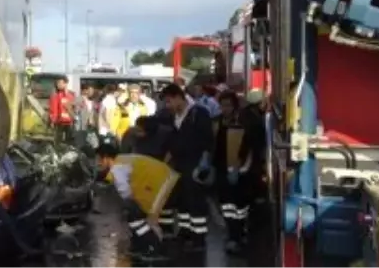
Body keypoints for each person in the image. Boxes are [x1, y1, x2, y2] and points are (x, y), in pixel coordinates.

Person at [95, 142, 179, 260]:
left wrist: (129, 208)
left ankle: (156, 248)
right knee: (136, 216)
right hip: (163, 178)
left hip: (162, 183)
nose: (98, 163)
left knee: (138, 218)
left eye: (99, 159)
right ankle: (141, 246)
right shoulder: (122, 160)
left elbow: (125, 192)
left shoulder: (117, 168)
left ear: (107, 158)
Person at [159, 82, 214, 250]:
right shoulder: (173, 117)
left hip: (194, 163)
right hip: (178, 164)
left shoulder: (199, 113)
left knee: (195, 201)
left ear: (178, 98)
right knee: (182, 200)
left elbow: (208, 140)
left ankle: (199, 238)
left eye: (169, 101)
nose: (167, 106)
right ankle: (185, 232)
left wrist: (204, 162)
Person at [213, 90, 265, 253]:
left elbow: (251, 148)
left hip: (241, 172)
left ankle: (239, 236)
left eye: (228, 105)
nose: (224, 109)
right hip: (222, 169)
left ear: (235, 106)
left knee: (240, 207)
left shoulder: (244, 122)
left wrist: (240, 168)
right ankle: (233, 235)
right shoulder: (216, 122)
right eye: (222, 105)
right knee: (227, 206)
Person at [48, 76, 77, 144]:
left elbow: (75, 108)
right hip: (59, 124)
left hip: (70, 123)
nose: (58, 84)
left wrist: (74, 120)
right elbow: (53, 110)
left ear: (65, 83)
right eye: (57, 83)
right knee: (58, 142)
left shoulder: (72, 95)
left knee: (69, 142)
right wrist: (52, 121)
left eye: (60, 83)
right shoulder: (55, 96)